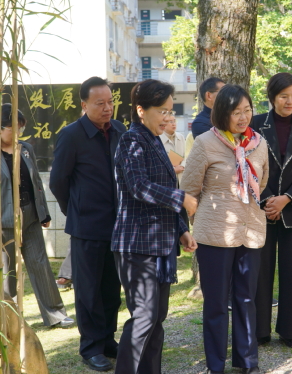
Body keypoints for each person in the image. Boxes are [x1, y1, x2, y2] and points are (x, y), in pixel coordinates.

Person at [112, 79, 198, 374]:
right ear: (141, 110)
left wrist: (181, 230)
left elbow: (162, 190)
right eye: (162, 111)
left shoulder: (154, 139)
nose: (167, 118)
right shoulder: (131, 140)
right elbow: (138, 186)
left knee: (156, 318)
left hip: (160, 242)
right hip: (137, 243)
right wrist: (181, 198)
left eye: (170, 111)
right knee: (144, 317)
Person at [182, 85, 269, 374]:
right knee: (217, 303)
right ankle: (215, 364)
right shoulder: (205, 142)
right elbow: (189, 190)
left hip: (250, 231)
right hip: (214, 235)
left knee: (246, 299)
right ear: (222, 113)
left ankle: (247, 361)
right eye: (236, 112)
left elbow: (262, 183)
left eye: (247, 110)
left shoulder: (259, 143)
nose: (243, 117)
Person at [50, 77, 126, 372]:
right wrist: (75, 210)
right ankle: (91, 347)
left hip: (117, 226)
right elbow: (58, 181)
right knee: (88, 290)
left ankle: (107, 339)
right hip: (86, 226)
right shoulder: (71, 135)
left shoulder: (119, 130)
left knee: (111, 288)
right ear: (84, 105)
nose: (107, 108)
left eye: (110, 102)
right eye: (100, 103)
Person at [0, 104, 73, 328]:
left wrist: (44, 213)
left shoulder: (26, 148)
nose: (18, 133)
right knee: (6, 271)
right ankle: (7, 319)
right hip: (2, 220)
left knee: (40, 265)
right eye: (14, 128)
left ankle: (55, 315)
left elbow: (36, 182)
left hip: (29, 215)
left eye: (20, 128)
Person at [251, 72, 292, 350]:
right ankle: (260, 331)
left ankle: (289, 331)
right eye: (284, 96)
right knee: (261, 272)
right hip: (261, 209)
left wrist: (286, 200)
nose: (290, 102)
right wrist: (269, 200)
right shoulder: (255, 124)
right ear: (272, 97)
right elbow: (249, 165)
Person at [161, 113, 186, 178]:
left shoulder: (181, 137)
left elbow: (186, 155)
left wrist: (182, 166)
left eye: (174, 121)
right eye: (170, 122)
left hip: (181, 175)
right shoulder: (158, 139)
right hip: (166, 177)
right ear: (163, 123)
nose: (173, 124)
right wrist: (173, 170)